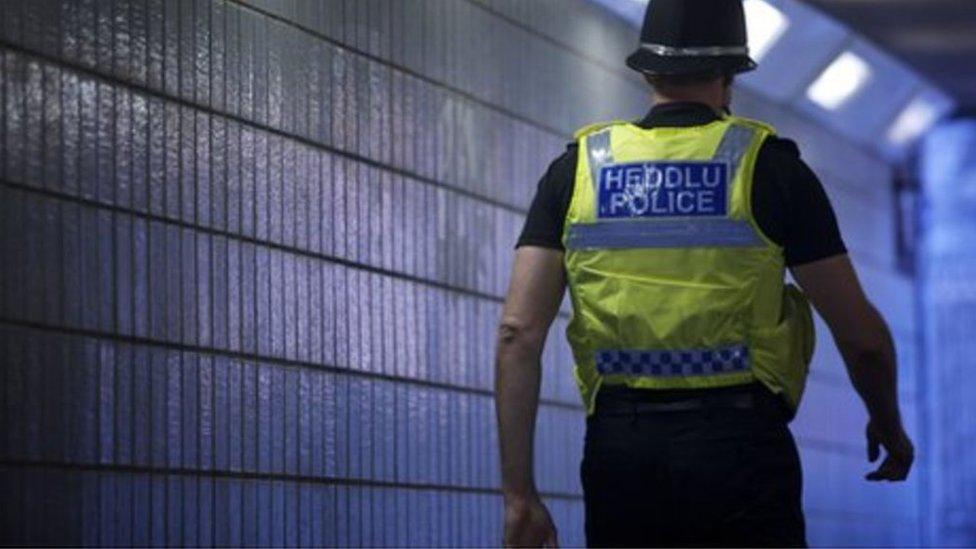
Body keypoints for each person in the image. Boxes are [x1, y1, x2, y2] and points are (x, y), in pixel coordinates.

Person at [493, 0, 915, 546]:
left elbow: (516, 334)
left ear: (646, 70)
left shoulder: (577, 170)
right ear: (732, 73)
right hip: (740, 449)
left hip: (622, 450)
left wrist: (519, 495)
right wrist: (888, 422)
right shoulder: (769, 169)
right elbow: (863, 342)